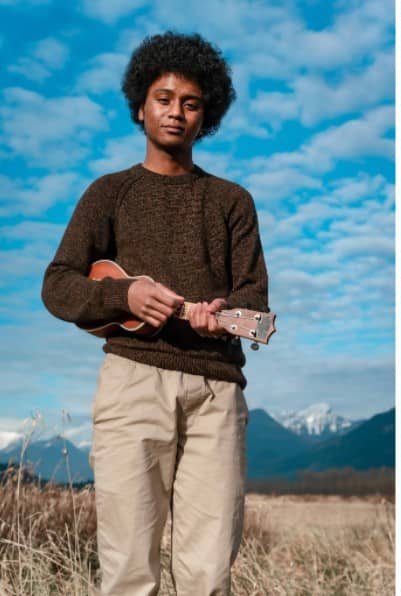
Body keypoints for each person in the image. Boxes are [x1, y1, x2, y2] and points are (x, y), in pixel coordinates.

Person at [41, 32, 268, 595]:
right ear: (140, 107)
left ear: (205, 115)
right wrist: (125, 296)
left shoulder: (232, 201)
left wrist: (225, 312)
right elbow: (58, 285)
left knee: (209, 573)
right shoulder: (108, 193)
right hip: (131, 383)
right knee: (127, 569)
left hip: (217, 393)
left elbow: (254, 302)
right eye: (164, 99)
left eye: (190, 103)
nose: (176, 112)